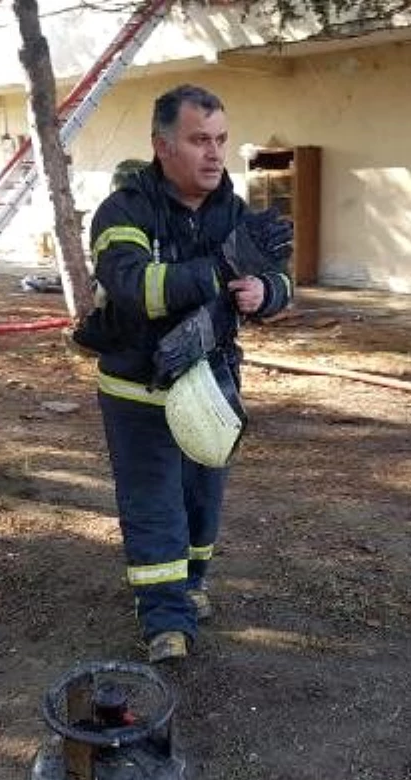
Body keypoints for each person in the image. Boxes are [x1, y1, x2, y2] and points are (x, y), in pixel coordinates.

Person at [85, 84, 293, 662]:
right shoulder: (122, 212)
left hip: (212, 382)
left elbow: (283, 282)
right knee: (154, 502)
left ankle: (191, 585)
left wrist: (265, 292)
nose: (214, 153)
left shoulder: (235, 212)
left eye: (221, 139)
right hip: (138, 385)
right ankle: (164, 622)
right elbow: (134, 289)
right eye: (199, 139)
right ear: (162, 145)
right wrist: (222, 267)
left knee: (203, 499)